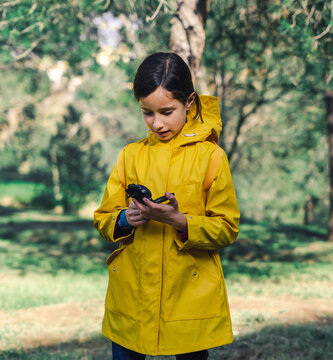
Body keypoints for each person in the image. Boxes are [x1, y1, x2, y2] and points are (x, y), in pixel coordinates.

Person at [94, 52, 240, 360]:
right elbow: (104, 218)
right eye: (147, 112)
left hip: (189, 298)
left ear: (189, 102)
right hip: (130, 297)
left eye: (166, 111)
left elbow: (227, 228)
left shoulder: (211, 157)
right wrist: (125, 219)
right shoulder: (129, 155)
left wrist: (180, 221)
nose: (157, 122)